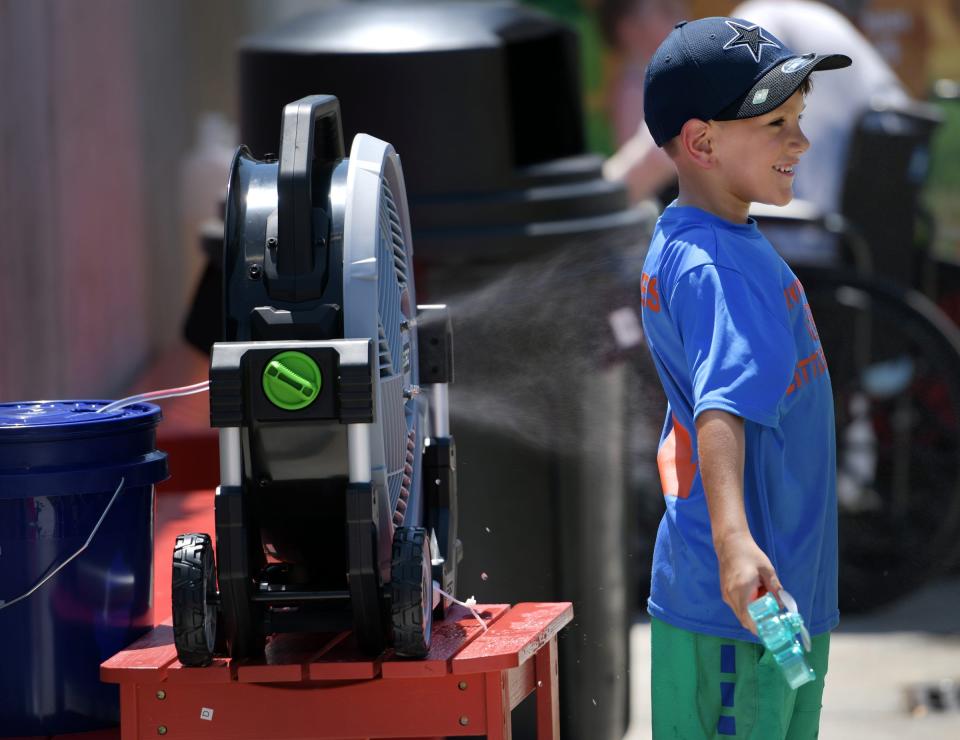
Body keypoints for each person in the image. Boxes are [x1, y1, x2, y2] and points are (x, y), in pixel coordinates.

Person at [638, 17, 846, 738]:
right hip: (745, 609)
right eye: (776, 123)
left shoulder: (696, 240)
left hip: (753, 603)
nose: (801, 141)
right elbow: (721, 410)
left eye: (800, 118)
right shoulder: (722, 267)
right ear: (701, 142)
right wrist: (735, 544)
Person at [604, 0, 909, 216]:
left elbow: (665, 148)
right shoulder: (795, 16)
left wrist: (596, 199)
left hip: (817, 233)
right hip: (863, 224)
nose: (681, 17)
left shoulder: (756, 25)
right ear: (627, 28)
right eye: (666, 9)